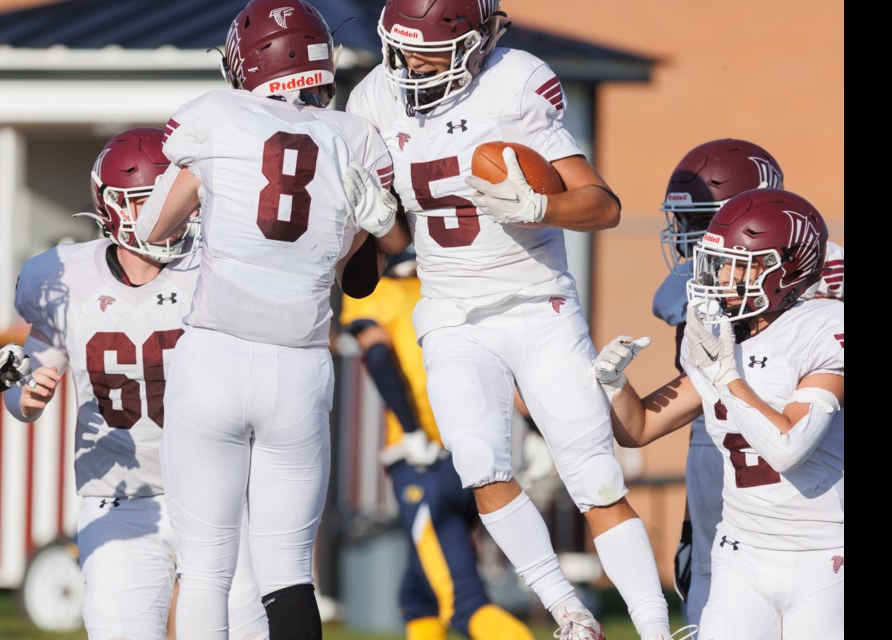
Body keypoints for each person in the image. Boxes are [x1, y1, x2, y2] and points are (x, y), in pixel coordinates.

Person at [346, 2, 681, 639]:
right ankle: (570, 615)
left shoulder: (516, 80)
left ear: (476, 44)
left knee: (595, 475)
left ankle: (655, 629)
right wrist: (372, 223)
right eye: (403, 47)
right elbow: (388, 247)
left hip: (538, 305)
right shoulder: (372, 101)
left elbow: (603, 205)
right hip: (452, 313)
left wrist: (539, 203)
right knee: (479, 462)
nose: (413, 64)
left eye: (431, 50)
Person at [132, 1, 407, 637]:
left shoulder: (215, 116)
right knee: (287, 570)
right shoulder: (354, 138)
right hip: (299, 364)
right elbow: (374, 257)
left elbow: (151, 232)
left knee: (205, 568)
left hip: (215, 357)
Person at [0, 128, 269, 640]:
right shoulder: (64, 276)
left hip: (222, 494)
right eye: (146, 200)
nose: (167, 212)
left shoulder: (218, 264)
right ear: (111, 207)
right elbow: (26, 385)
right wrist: (24, 398)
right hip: (119, 496)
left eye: (175, 197)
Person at [594, 187, 843, 639]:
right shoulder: (723, 338)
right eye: (717, 261)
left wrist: (727, 377)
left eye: (736, 264)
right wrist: (615, 385)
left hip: (823, 553)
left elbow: (788, 447)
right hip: (743, 551)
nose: (719, 276)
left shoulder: (822, 328)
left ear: (781, 272)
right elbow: (640, 428)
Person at [653, 139, 844, 627]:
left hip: (804, 432)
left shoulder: (823, 271)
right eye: (692, 223)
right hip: (722, 428)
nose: (695, 239)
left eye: (707, 217)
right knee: (708, 567)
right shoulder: (692, 277)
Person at [340, 249, 534, 640]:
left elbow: (377, 354)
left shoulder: (386, 291)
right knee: (418, 595)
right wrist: (541, 437)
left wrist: (411, 430)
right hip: (477, 456)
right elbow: (509, 374)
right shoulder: (459, 292)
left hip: (425, 465)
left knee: (465, 604)